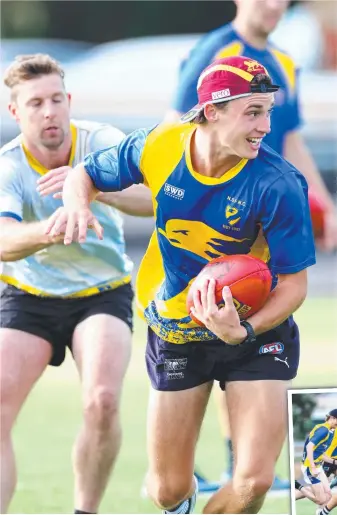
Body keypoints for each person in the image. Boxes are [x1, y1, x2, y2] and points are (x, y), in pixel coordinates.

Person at [46, 55, 316, 514]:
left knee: (253, 480)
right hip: (177, 329)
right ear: (212, 110)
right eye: (253, 112)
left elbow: (294, 285)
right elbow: (85, 172)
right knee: (168, 490)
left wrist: (243, 331)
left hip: (256, 332)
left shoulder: (279, 184)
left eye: (269, 111)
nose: (266, 126)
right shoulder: (161, 145)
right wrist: (77, 205)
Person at [165, 0, 337, 488]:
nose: (275, 6)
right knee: (225, 318)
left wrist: (322, 202)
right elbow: (179, 129)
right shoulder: (213, 52)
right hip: (220, 219)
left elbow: (294, 139)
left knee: (260, 322)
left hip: (273, 209)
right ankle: (213, 464)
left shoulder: (282, 63)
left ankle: (240, 463)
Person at [0, 54, 153, 514]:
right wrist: (61, 222)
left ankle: (84, 511)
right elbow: (4, 243)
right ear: (15, 112)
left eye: (56, 100)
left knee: (102, 401)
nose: (49, 112)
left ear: (69, 100)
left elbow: (155, 199)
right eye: (35, 104)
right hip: (29, 295)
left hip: (101, 293)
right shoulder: (9, 167)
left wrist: (89, 187)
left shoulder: (102, 143)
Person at [294, 409, 337, 507]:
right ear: (332, 418)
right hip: (310, 467)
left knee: (328, 496)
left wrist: (334, 462)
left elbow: (319, 454)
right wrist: (313, 467)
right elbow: (309, 446)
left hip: (317, 465)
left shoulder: (328, 431)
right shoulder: (323, 430)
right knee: (321, 501)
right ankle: (298, 486)